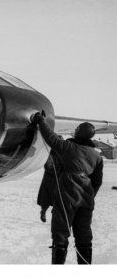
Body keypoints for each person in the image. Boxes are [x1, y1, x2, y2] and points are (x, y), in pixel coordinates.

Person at [31, 112, 103, 265]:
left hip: (67, 195)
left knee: (60, 234)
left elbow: (50, 137)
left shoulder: (68, 147)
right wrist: (88, 196)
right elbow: (97, 182)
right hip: (86, 200)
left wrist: (40, 121)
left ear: (78, 132)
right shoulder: (97, 156)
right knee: (84, 235)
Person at [37, 148, 61, 223]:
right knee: (46, 198)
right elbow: (48, 166)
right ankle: (43, 212)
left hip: (59, 180)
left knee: (58, 200)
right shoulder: (50, 154)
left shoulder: (64, 153)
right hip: (49, 179)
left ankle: (56, 217)